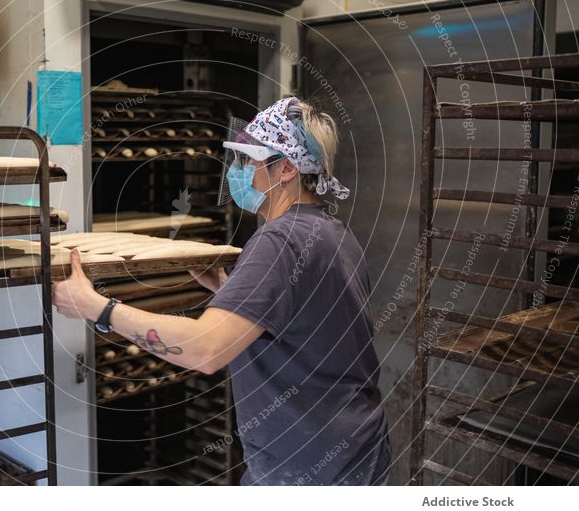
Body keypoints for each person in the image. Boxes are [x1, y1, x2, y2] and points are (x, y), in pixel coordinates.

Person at [53, 96, 391, 486]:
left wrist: (98, 307)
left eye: (248, 160)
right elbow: (306, 324)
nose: (237, 171)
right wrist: (234, 293)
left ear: (284, 168)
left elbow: (204, 350)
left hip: (305, 470)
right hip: (356, 451)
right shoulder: (332, 231)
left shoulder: (279, 241)